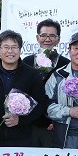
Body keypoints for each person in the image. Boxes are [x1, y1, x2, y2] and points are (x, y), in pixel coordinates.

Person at [22, 19, 69, 147]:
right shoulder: (27, 62)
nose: (47, 39)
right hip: (28, 124)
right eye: (43, 35)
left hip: (53, 125)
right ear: (37, 38)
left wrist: (57, 119)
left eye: (52, 36)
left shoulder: (65, 64)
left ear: (58, 39)